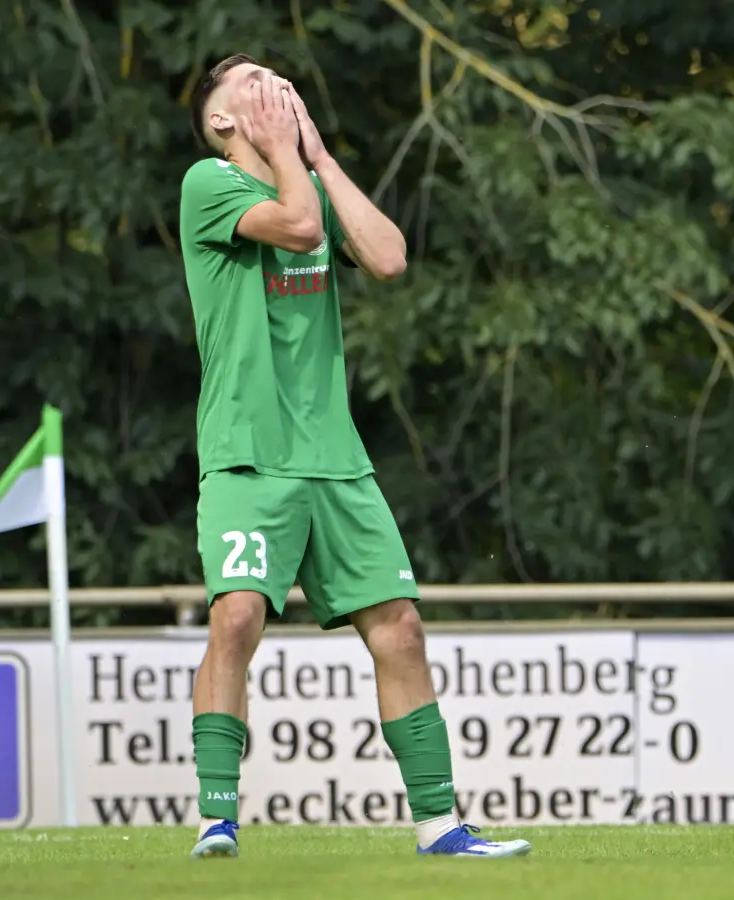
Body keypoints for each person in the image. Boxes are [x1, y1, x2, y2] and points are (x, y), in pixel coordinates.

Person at [179, 55, 529, 860]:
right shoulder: (212, 184)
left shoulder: (307, 182)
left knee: (401, 629)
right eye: (256, 85)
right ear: (225, 122)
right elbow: (300, 228)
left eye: (282, 80)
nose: (279, 90)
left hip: (335, 458)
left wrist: (322, 158)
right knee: (236, 618)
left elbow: (388, 256)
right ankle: (218, 818)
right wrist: (289, 160)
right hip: (248, 454)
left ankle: (441, 827)